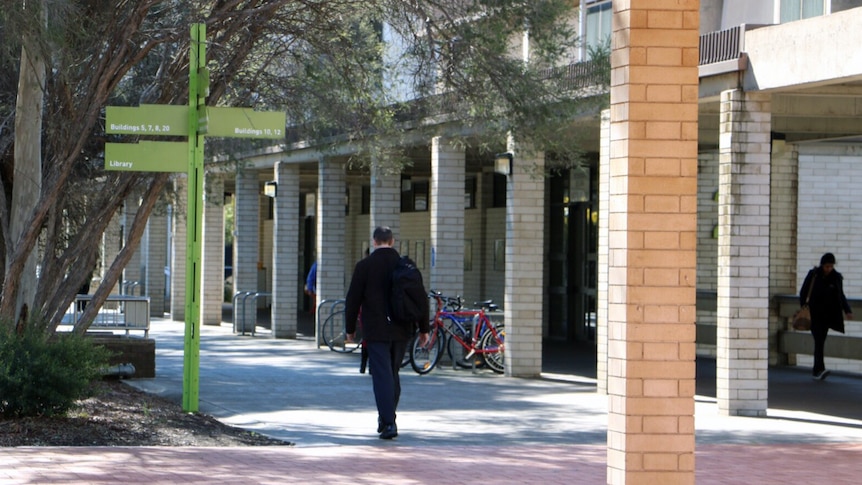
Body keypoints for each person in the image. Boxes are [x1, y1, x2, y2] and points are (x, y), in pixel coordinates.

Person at [345, 226, 429, 439]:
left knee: (382, 375)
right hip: (402, 328)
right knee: (392, 373)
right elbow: (420, 297)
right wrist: (424, 328)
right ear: (392, 242)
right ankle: (386, 418)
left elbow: (353, 299)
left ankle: (389, 422)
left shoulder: (365, 266)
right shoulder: (405, 266)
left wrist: (350, 329)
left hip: (375, 330)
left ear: (374, 242)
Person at [799, 252, 853, 380]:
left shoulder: (836, 278)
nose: (829, 269)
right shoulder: (813, 275)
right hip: (814, 314)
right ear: (822, 265)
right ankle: (819, 369)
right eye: (827, 266)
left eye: (831, 266)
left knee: (820, 341)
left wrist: (847, 310)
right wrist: (804, 308)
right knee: (819, 341)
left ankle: (817, 370)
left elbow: (841, 295)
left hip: (827, 316)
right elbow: (803, 292)